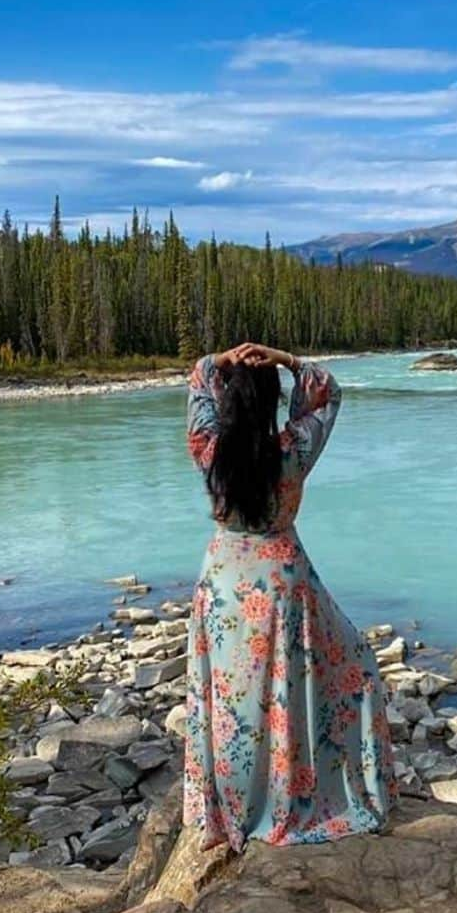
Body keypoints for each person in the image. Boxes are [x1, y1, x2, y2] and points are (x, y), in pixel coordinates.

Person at [183, 341, 396, 849]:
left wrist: (224, 362)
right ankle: (298, 793)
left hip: (224, 584)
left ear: (227, 402)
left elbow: (197, 378)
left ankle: (232, 802)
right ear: (274, 403)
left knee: (234, 702)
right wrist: (287, 361)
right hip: (281, 582)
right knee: (338, 672)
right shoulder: (292, 450)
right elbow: (330, 394)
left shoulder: (209, 451)